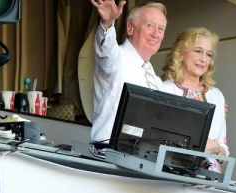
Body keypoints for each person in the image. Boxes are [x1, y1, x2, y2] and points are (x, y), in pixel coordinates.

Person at [88, 0, 174, 143]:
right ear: (130, 28)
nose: (156, 34)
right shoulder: (117, 57)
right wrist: (108, 23)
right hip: (108, 153)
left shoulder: (156, 81)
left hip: (140, 157)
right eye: (149, 26)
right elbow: (105, 47)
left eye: (161, 29)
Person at [161, 27, 228, 172]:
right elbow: (158, 140)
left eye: (208, 54)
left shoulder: (216, 95)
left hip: (210, 180)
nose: (204, 59)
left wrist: (217, 149)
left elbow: (223, 149)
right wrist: (203, 146)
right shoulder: (164, 89)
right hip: (171, 176)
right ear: (180, 54)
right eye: (198, 51)